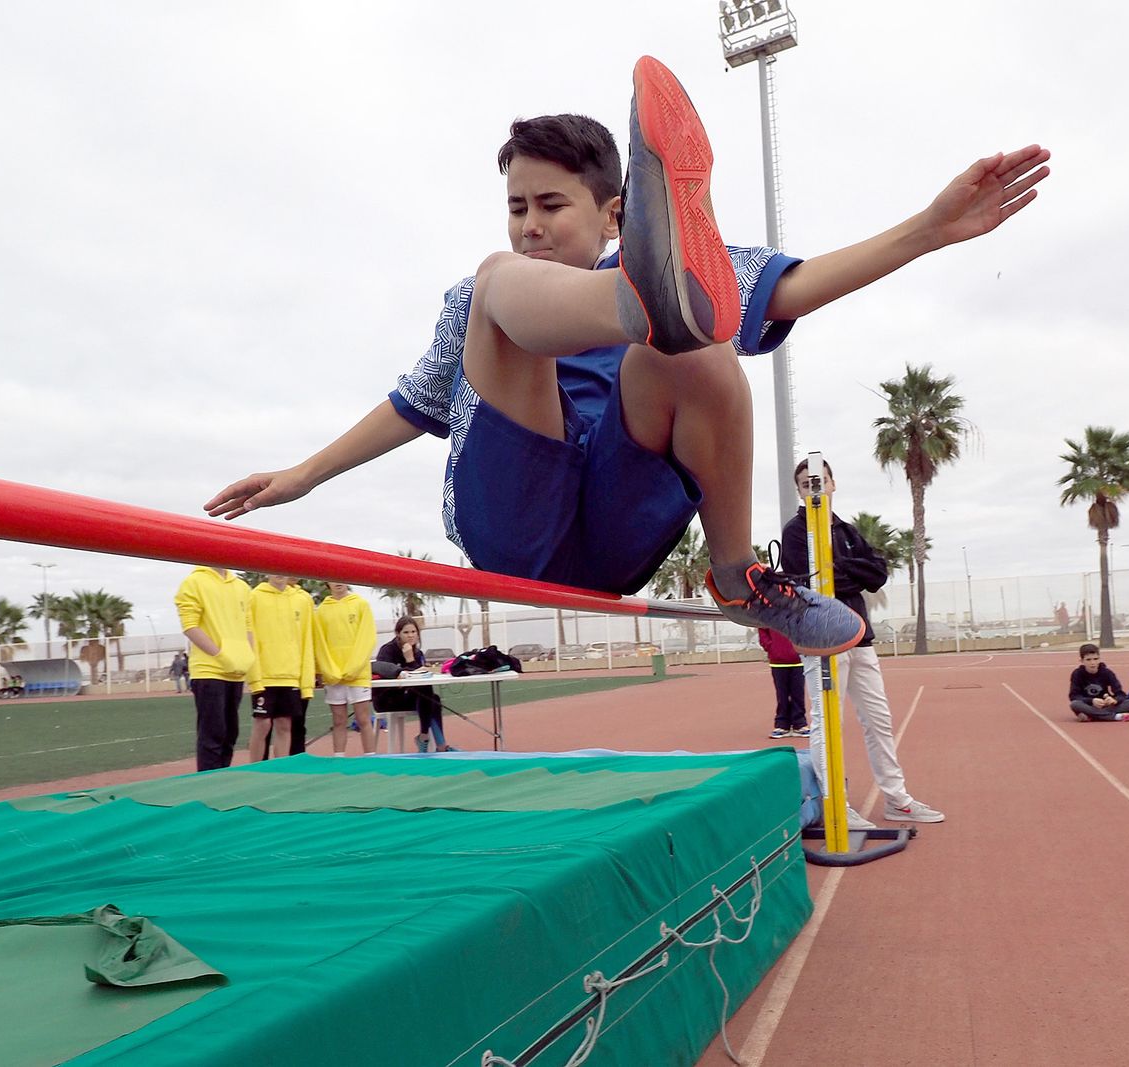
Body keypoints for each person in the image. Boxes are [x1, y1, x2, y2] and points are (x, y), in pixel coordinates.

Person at [205, 57, 1048, 661]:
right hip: (516, 522)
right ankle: (637, 311)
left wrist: (927, 231)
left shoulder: (684, 274)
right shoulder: (482, 294)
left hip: (618, 519)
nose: (531, 225)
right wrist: (303, 476)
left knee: (700, 352)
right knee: (504, 285)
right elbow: (411, 405)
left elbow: (792, 288)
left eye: (551, 205)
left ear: (614, 214)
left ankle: (738, 575)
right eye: (516, 206)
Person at [781, 461, 944, 825]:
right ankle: (835, 804)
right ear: (800, 492)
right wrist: (846, 573)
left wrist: (840, 571)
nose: (815, 489)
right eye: (807, 485)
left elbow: (876, 573)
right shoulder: (795, 532)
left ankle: (896, 799)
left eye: (820, 481)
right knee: (826, 722)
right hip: (822, 639)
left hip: (860, 637)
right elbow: (807, 583)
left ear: (832, 484)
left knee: (878, 720)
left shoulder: (847, 530)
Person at [175, 566, 255, 771]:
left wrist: (248, 656)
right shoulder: (194, 582)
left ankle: (223, 778)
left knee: (230, 734)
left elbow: (248, 626)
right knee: (213, 734)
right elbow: (190, 626)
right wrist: (220, 655)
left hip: (236, 671)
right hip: (208, 670)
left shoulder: (242, 587)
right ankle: (208, 782)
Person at [246, 574, 316, 761]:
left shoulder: (301, 600)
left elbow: (307, 640)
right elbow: (249, 636)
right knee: (262, 724)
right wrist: (254, 676)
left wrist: (306, 681)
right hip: (265, 675)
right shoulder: (255, 597)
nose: (279, 574)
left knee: (284, 724)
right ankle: (255, 769)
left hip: (291, 675)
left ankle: (280, 768)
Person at [315, 583, 377, 756]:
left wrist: (354, 667)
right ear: (327, 583)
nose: (338, 582)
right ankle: (339, 759)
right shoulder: (321, 611)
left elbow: (367, 638)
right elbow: (319, 643)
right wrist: (327, 670)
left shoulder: (361, 604)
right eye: (332, 579)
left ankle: (370, 759)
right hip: (334, 676)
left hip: (358, 674)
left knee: (363, 719)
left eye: (340, 578)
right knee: (339, 720)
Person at [374, 615, 451, 753]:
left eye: (413, 632)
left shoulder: (418, 653)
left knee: (433, 698)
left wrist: (411, 660)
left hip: (410, 696)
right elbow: (383, 671)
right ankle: (433, 742)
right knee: (429, 696)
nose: (410, 635)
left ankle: (432, 741)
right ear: (398, 634)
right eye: (406, 632)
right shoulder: (387, 650)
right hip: (387, 698)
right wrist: (409, 662)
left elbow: (421, 676)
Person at [757, 627, 808, 740]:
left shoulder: (798, 614)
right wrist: (771, 647)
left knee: (798, 694)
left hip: (799, 660)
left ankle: (799, 724)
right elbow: (762, 629)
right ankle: (782, 725)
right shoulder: (770, 615)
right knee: (782, 695)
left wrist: (803, 648)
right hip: (778, 661)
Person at [1068, 643, 1129, 721]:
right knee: (1075, 704)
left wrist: (1114, 700)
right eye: (1088, 660)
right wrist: (1092, 701)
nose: (1092, 663)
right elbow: (1074, 696)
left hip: (1106, 705)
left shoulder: (1107, 673)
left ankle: (1093, 716)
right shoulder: (1077, 674)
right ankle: (1116, 717)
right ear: (1082, 660)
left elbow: (1121, 694)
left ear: (1099, 659)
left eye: (1095, 659)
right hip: (1089, 705)